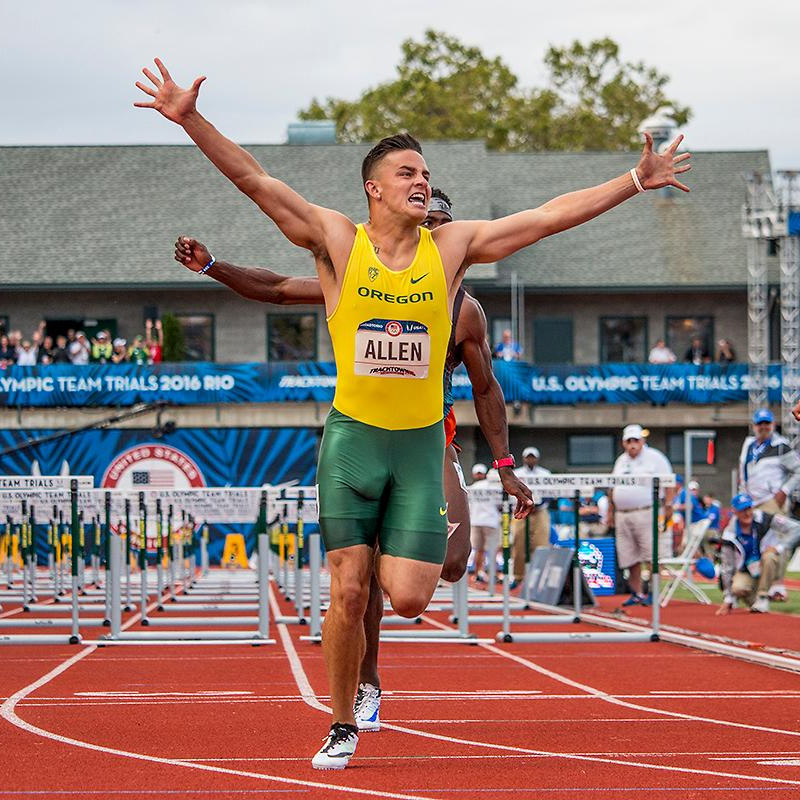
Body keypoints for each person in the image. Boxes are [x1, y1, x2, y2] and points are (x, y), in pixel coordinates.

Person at [137, 55, 690, 769]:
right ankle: (341, 722)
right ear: (374, 189)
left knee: (403, 598)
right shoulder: (338, 240)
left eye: (425, 173)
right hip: (352, 442)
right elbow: (256, 181)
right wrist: (190, 120)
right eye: (407, 173)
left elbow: (547, 219)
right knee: (347, 586)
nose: (421, 181)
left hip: (422, 447)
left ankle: (373, 658)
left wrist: (632, 181)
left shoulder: (453, 250)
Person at [174, 191, 533, 740]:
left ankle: (398, 552)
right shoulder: (364, 281)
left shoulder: (464, 310)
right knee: (356, 578)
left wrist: (505, 465)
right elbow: (277, 289)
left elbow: (486, 388)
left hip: (430, 439)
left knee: (455, 562)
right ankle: (367, 679)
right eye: (424, 224)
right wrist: (214, 266)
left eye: (440, 228)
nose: (429, 236)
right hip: (364, 437)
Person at [607, 424, 675, 606]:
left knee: (651, 555)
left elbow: (669, 483)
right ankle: (637, 593)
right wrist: (610, 512)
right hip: (623, 514)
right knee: (629, 556)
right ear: (623, 443)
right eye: (629, 441)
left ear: (642, 441)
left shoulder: (655, 458)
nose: (632, 444)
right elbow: (611, 487)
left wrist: (668, 505)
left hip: (647, 511)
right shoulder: (621, 461)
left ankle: (653, 592)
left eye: (635, 440)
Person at [738, 408, 800, 601]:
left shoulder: (781, 445)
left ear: (773, 425)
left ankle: (777, 585)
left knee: (777, 541)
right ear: (754, 426)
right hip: (751, 501)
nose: (763, 427)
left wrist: (784, 491)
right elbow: (743, 470)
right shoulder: (749, 444)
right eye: (760, 424)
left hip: (772, 500)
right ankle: (756, 584)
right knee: (756, 542)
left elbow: (798, 470)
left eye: (766, 424)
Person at [716, 492, 800, 614]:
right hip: (747, 570)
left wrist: (779, 547)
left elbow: (797, 528)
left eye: (749, 508)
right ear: (735, 512)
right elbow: (727, 566)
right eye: (743, 510)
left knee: (769, 556)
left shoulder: (765, 518)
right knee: (737, 588)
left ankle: (763, 596)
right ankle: (755, 601)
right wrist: (728, 597)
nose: (747, 513)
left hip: (769, 565)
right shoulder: (730, 533)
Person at [511, 446, 552, 587]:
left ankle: (539, 576)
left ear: (537, 458)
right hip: (521, 511)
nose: (530, 460)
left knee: (541, 543)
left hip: (540, 511)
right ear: (523, 458)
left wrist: (537, 506)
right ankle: (518, 576)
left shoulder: (545, 474)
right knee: (519, 543)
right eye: (528, 457)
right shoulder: (516, 473)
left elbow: (550, 494)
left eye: (532, 457)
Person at [467, 463, 501, 584]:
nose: (479, 475)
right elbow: (500, 505)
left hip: (478, 522)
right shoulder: (494, 488)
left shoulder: (470, 488)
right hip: (488, 522)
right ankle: (490, 575)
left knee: (480, 550)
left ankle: (481, 574)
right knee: (488, 550)